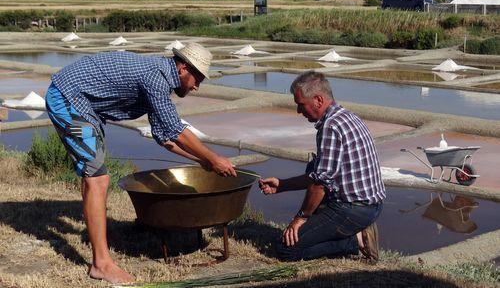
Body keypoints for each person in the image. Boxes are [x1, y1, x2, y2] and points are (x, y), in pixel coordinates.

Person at [45, 43, 236, 284]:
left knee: (97, 176)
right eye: (197, 78)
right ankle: (100, 264)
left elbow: (164, 138)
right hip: (67, 98)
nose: (197, 86)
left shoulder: (159, 81)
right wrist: (213, 158)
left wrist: (200, 161)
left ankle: (101, 237)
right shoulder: (155, 78)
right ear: (183, 68)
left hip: (85, 106)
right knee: (97, 179)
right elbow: (176, 131)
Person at [259, 71, 385, 262]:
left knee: (286, 250)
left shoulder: (331, 126)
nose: (299, 112)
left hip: (353, 209)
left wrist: (300, 218)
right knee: (311, 218)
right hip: (370, 207)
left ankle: (354, 241)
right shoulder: (347, 116)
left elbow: (319, 185)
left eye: (301, 105)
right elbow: (319, 175)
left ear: (318, 99)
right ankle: (351, 234)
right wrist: (282, 185)